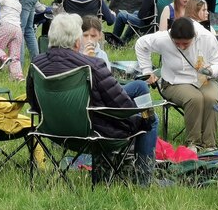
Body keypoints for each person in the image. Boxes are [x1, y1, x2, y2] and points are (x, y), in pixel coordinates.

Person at [27, 13, 157, 185]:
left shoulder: (36, 64)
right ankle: (143, 182)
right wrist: (140, 118)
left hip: (53, 131)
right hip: (92, 133)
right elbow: (122, 107)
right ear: (77, 41)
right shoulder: (93, 64)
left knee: (138, 87)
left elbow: (33, 102)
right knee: (150, 120)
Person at [136, 17, 218, 152]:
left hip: (205, 79)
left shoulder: (207, 37)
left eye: (186, 44)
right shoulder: (163, 39)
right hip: (174, 82)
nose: (181, 46)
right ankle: (193, 144)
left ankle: (209, 145)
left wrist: (211, 70)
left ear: (194, 37)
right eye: (177, 43)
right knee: (194, 98)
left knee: (211, 98)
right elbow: (141, 44)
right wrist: (147, 71)